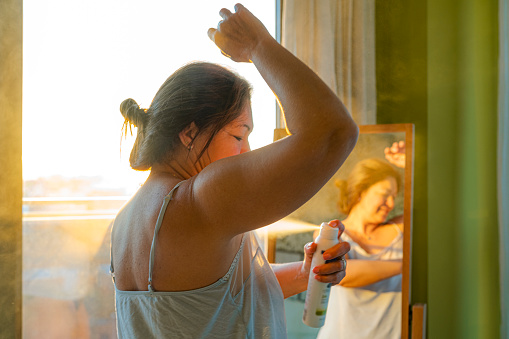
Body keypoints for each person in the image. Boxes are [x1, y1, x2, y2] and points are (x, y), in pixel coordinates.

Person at [109, 4, 359, 338]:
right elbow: (332, 133)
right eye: (239, 135)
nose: (248, 152)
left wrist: (305, 273)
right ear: (190, 133)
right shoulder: (201, 197)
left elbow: (215, 300)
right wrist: (257, 46)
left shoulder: (127, 218)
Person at [316, 148, 405, 339]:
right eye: (385, 194)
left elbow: (432, 205)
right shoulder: (331, 233)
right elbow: (345, 274)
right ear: (361, 192)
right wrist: (406, 265)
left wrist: (409, 164)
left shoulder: (401, 229)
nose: (390, 203)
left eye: (394, 196)